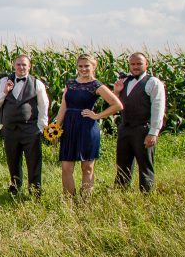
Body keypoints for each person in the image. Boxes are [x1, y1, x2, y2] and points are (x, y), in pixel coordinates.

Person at [53, 53, 123, 197]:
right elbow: (63, 107)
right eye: (80, 66)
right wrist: (55, 128)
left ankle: (86, 202)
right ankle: (69, 201)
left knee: (87, 168)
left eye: (87, 66)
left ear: (94, 66)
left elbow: (117, 105)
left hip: (87, 127)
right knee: (66, 167)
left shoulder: (96, 85)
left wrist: (97, 116)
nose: (83, 69)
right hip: (69, 126)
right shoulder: (70, 84)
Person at [0, 54, 50, 196]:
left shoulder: (37, 83)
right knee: (13, 160)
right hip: (10, 130)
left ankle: (35, 191)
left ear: (29, 66)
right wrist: (5, 92)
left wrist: (41, 128)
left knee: (34, 161)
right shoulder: (5, 81)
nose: (21, 67)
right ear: (13, 65)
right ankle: (15, 188)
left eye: (24, 65)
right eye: (18, 64)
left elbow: (43, 106)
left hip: (30, 129)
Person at [113, 52, 167, 193]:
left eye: (139, 63)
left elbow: (158, 108)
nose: (135, 67)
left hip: (143, 129)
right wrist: (117, 92)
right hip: (125, 128)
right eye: (133, 64)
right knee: (122, 165)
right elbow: (115, 105)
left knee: (145, 166)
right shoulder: (124, 82)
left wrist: (153, 132)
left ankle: (146, 197)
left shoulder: (153, 82)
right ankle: (120, 195)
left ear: (146, 64)